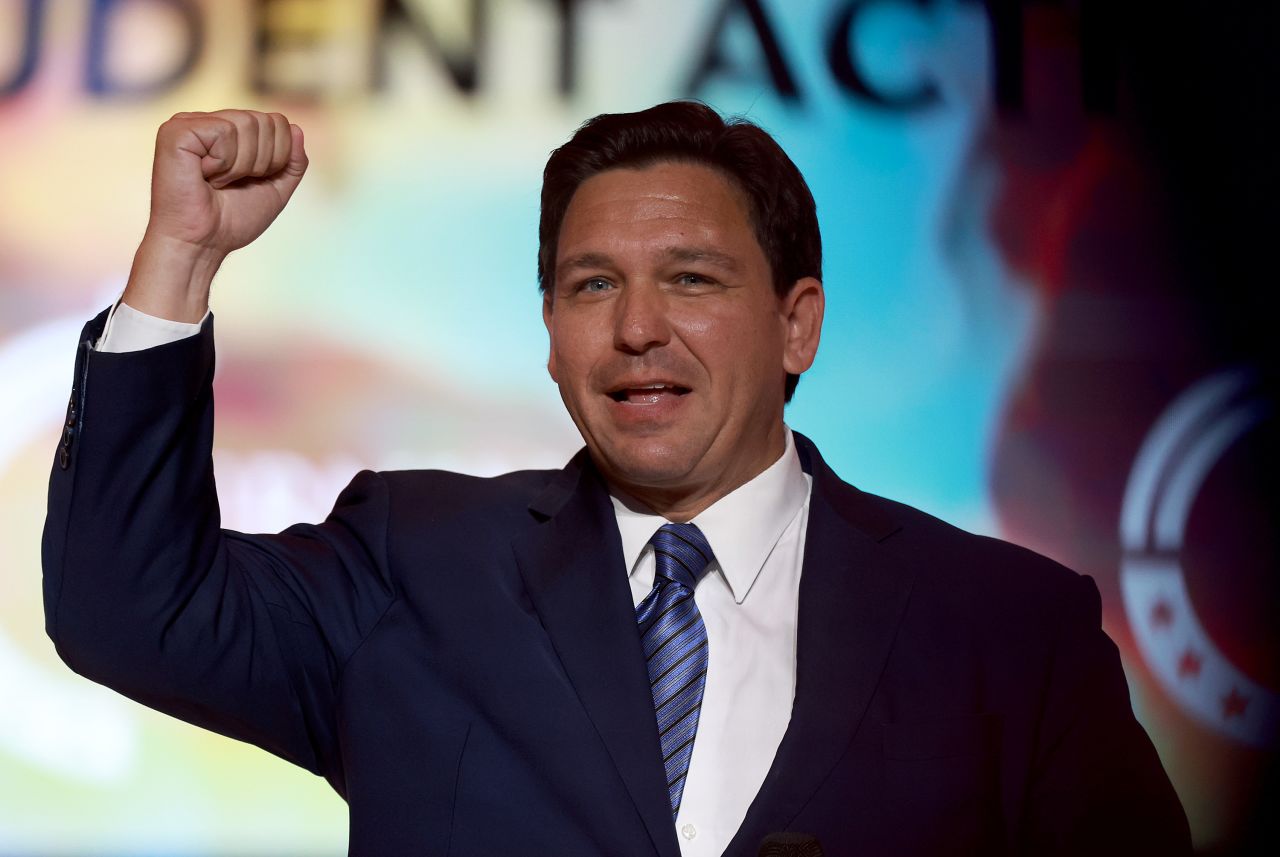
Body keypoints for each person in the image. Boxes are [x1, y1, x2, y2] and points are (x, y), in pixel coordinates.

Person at [43, 102, 1190, 856]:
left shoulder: (1005, 630)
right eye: (591, 286)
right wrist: (181, 257)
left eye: (690, 279)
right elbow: (129, 607)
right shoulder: (416, 559)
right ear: (548, 330)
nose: (636, 328)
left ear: (797, 324)